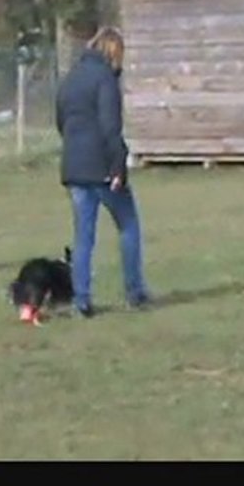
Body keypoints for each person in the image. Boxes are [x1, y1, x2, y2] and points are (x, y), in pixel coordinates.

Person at [55, 26, 151, 317]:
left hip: (73, 166)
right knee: (128, 225)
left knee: (83, 236)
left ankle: (81, 299)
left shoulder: (70, 78)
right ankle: (134, 291)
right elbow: (111, 127)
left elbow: (60, 121)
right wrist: (118, 166)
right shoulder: (105, 80)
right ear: (114, 53)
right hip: (101, 166)